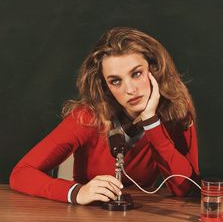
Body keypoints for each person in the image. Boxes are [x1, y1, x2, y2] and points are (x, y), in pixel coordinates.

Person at [10, 27, 199, 205]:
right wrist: (77, 192)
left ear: (155, 70)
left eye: (137, 73)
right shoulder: (87, 117)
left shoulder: (178, 112)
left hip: (143, 221)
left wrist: (151, 123)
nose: (130, 90)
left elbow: (185, 188)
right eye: (116, 81)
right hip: (90, 220)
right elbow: (21, 173)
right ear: (105, 87)